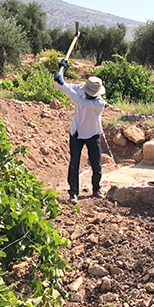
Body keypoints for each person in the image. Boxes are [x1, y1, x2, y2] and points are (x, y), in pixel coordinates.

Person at [54, 60, 106, 204]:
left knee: (96, 164)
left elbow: (79, 101)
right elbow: (60, 86)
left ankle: (96, 189)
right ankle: (73, 193)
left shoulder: (99, 103)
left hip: (92, 133)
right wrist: (61, 72)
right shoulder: (80, 90)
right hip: (76, 133)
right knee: (74, 162)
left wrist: (63, 83)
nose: (88, 95)